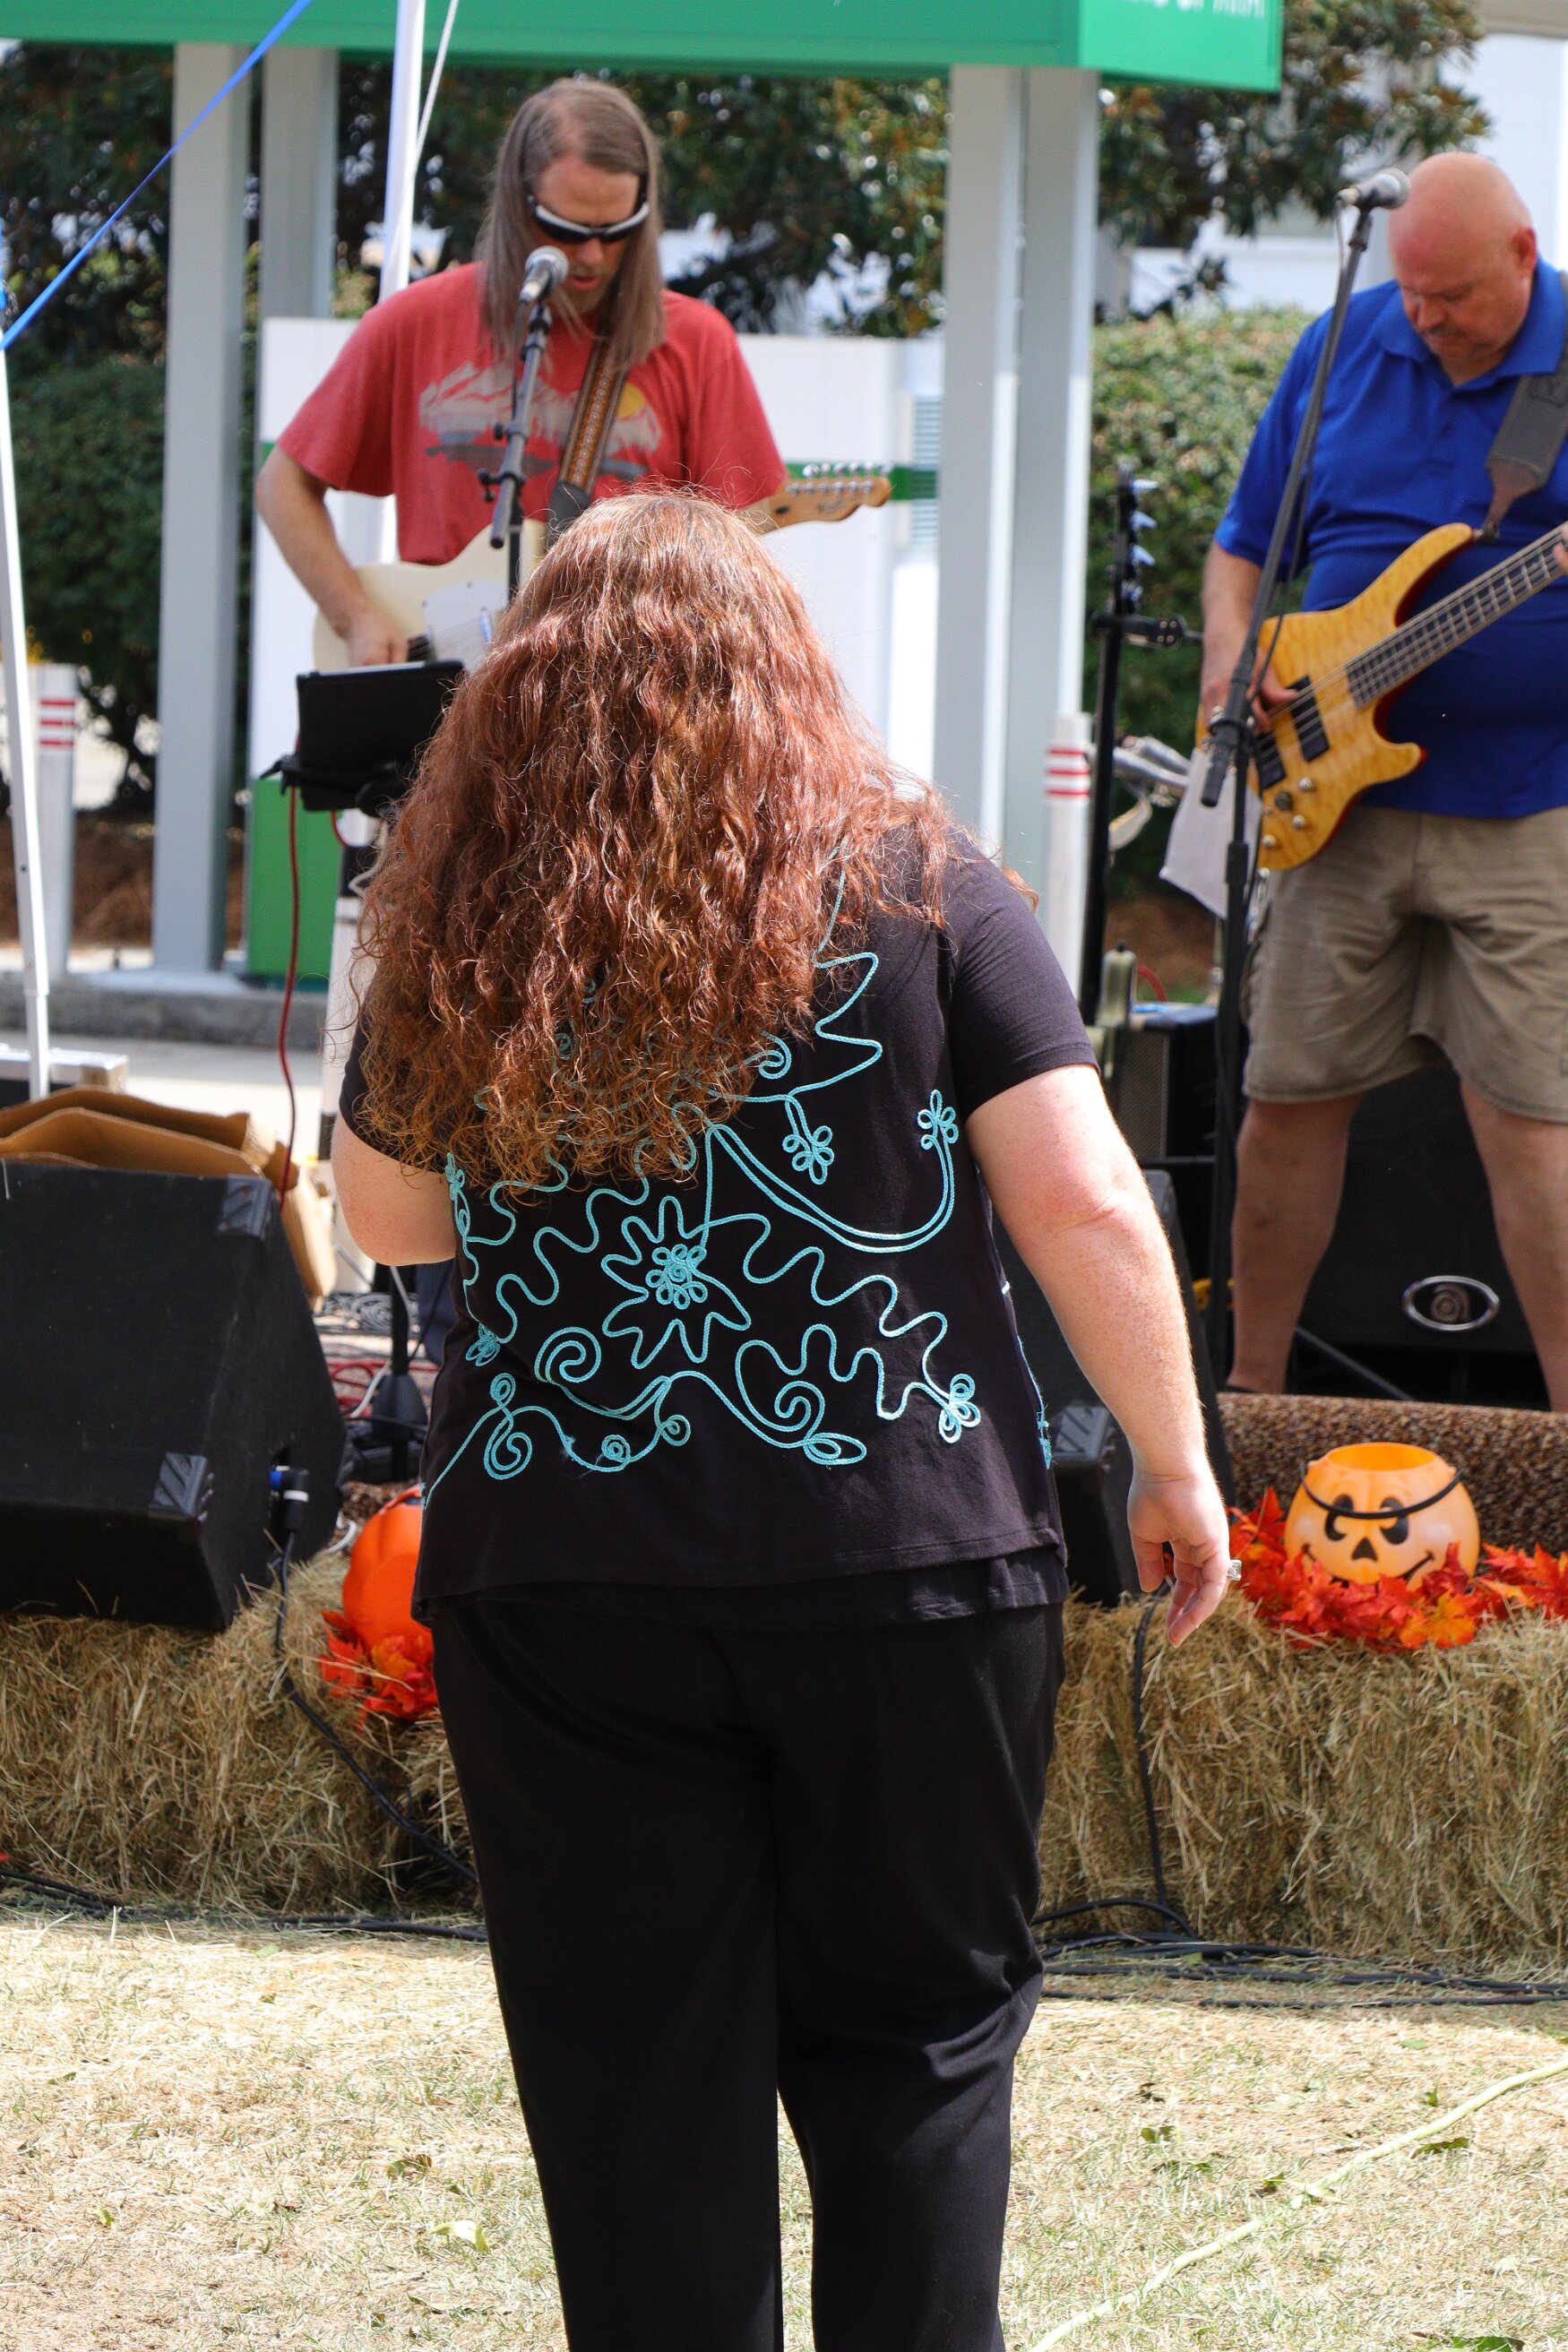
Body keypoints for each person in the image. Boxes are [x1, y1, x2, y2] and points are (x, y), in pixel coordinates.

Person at [331, 492, 1231, 2352]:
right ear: (786, 674)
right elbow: (1080, 1197)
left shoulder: (465, 919)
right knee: (920, 2051)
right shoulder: (931, 886)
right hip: (908, 1561)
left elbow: (389, 1220)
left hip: (566, 1574)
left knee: (633, 2084)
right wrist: (1174, 1456)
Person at [1202, 151, 1568, 1409]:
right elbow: (1241, 549)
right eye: (1410, 293)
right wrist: (1236, 658)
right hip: (1330, 804)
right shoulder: (1343, 343)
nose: (1425, 318)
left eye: (1452, 296)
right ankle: (1249, 1407)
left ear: (1522, 256)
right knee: (1284, 1103)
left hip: (1525, 802)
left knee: (1530, 1122)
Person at [255, 79, 786, 664]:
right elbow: (283, 486)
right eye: (568, 230)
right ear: (517, 202)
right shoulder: (414, 323)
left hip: (613, 689)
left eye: (617, 231)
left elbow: (742, 539)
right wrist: (354, 616)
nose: (592, 256)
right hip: (443, 687)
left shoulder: (696, 343)